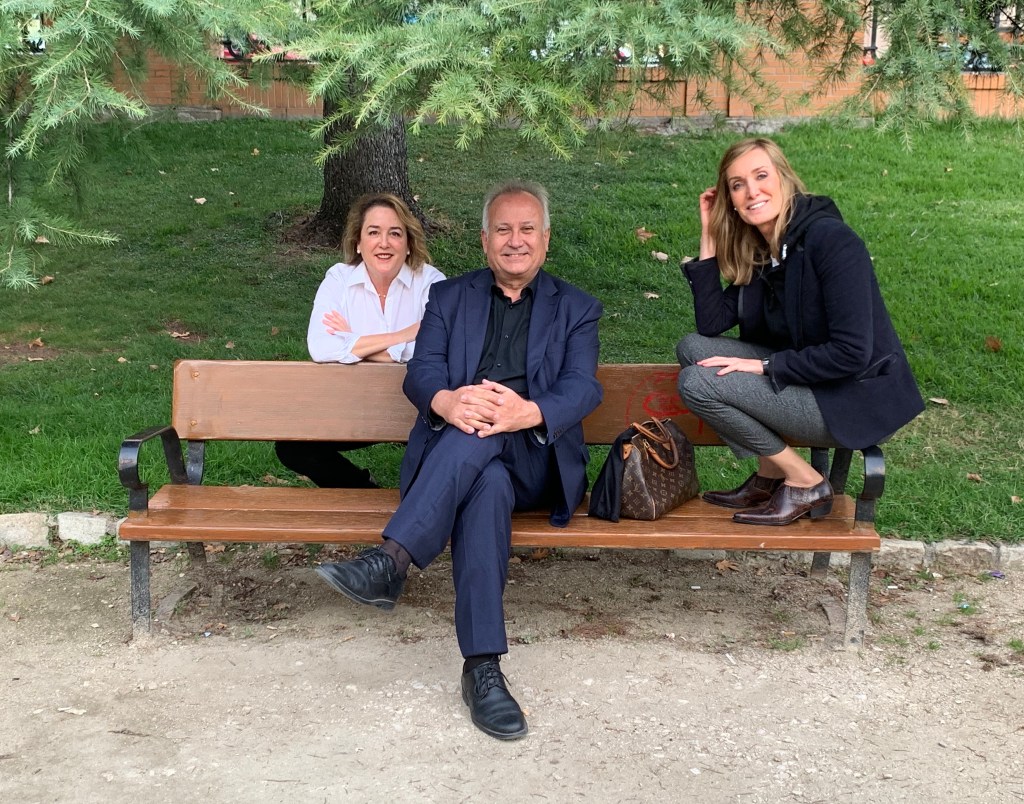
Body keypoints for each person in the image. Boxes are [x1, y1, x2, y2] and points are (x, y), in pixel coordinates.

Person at [316, 180, 603, 740]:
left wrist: (525, 412)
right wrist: (448, 402)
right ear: (484, 240)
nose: (515, 240)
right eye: (503, 229)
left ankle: (392, 560)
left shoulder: (576, 308)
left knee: (483, 434)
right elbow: (423, 372)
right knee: (484, 481)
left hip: (536, 458)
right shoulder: (449, 298)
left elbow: (582, 387)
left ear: (545, 239)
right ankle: (483, 670)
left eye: (527, 229)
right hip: (468, 458)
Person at [676, 138, 924, 526]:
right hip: (813, 382)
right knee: (693, 348)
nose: (752, 191)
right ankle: (771, 474)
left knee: (696, 383)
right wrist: (708, 235)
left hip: (852, 398)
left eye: (761, 176)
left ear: (785, 178)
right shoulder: (767, 251)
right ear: (731, 200)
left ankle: (805, 481)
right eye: (738, 185)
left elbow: (852, 353)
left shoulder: (831, 241)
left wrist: (765, 366)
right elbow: (710, 324)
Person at [274, 193, 444, 488]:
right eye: (373, 232)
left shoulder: (431, 283)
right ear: (358, 242)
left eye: (395, 233)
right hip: (353, 407)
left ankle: (421, 505)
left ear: (408, 244)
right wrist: (403, 336)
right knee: (293, 447)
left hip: (417, 410)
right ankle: (362, 489)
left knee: (446, 448)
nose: (384, 243)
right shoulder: (339, 279)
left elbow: (437, 350)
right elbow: (321, 347)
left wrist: (354, 342)